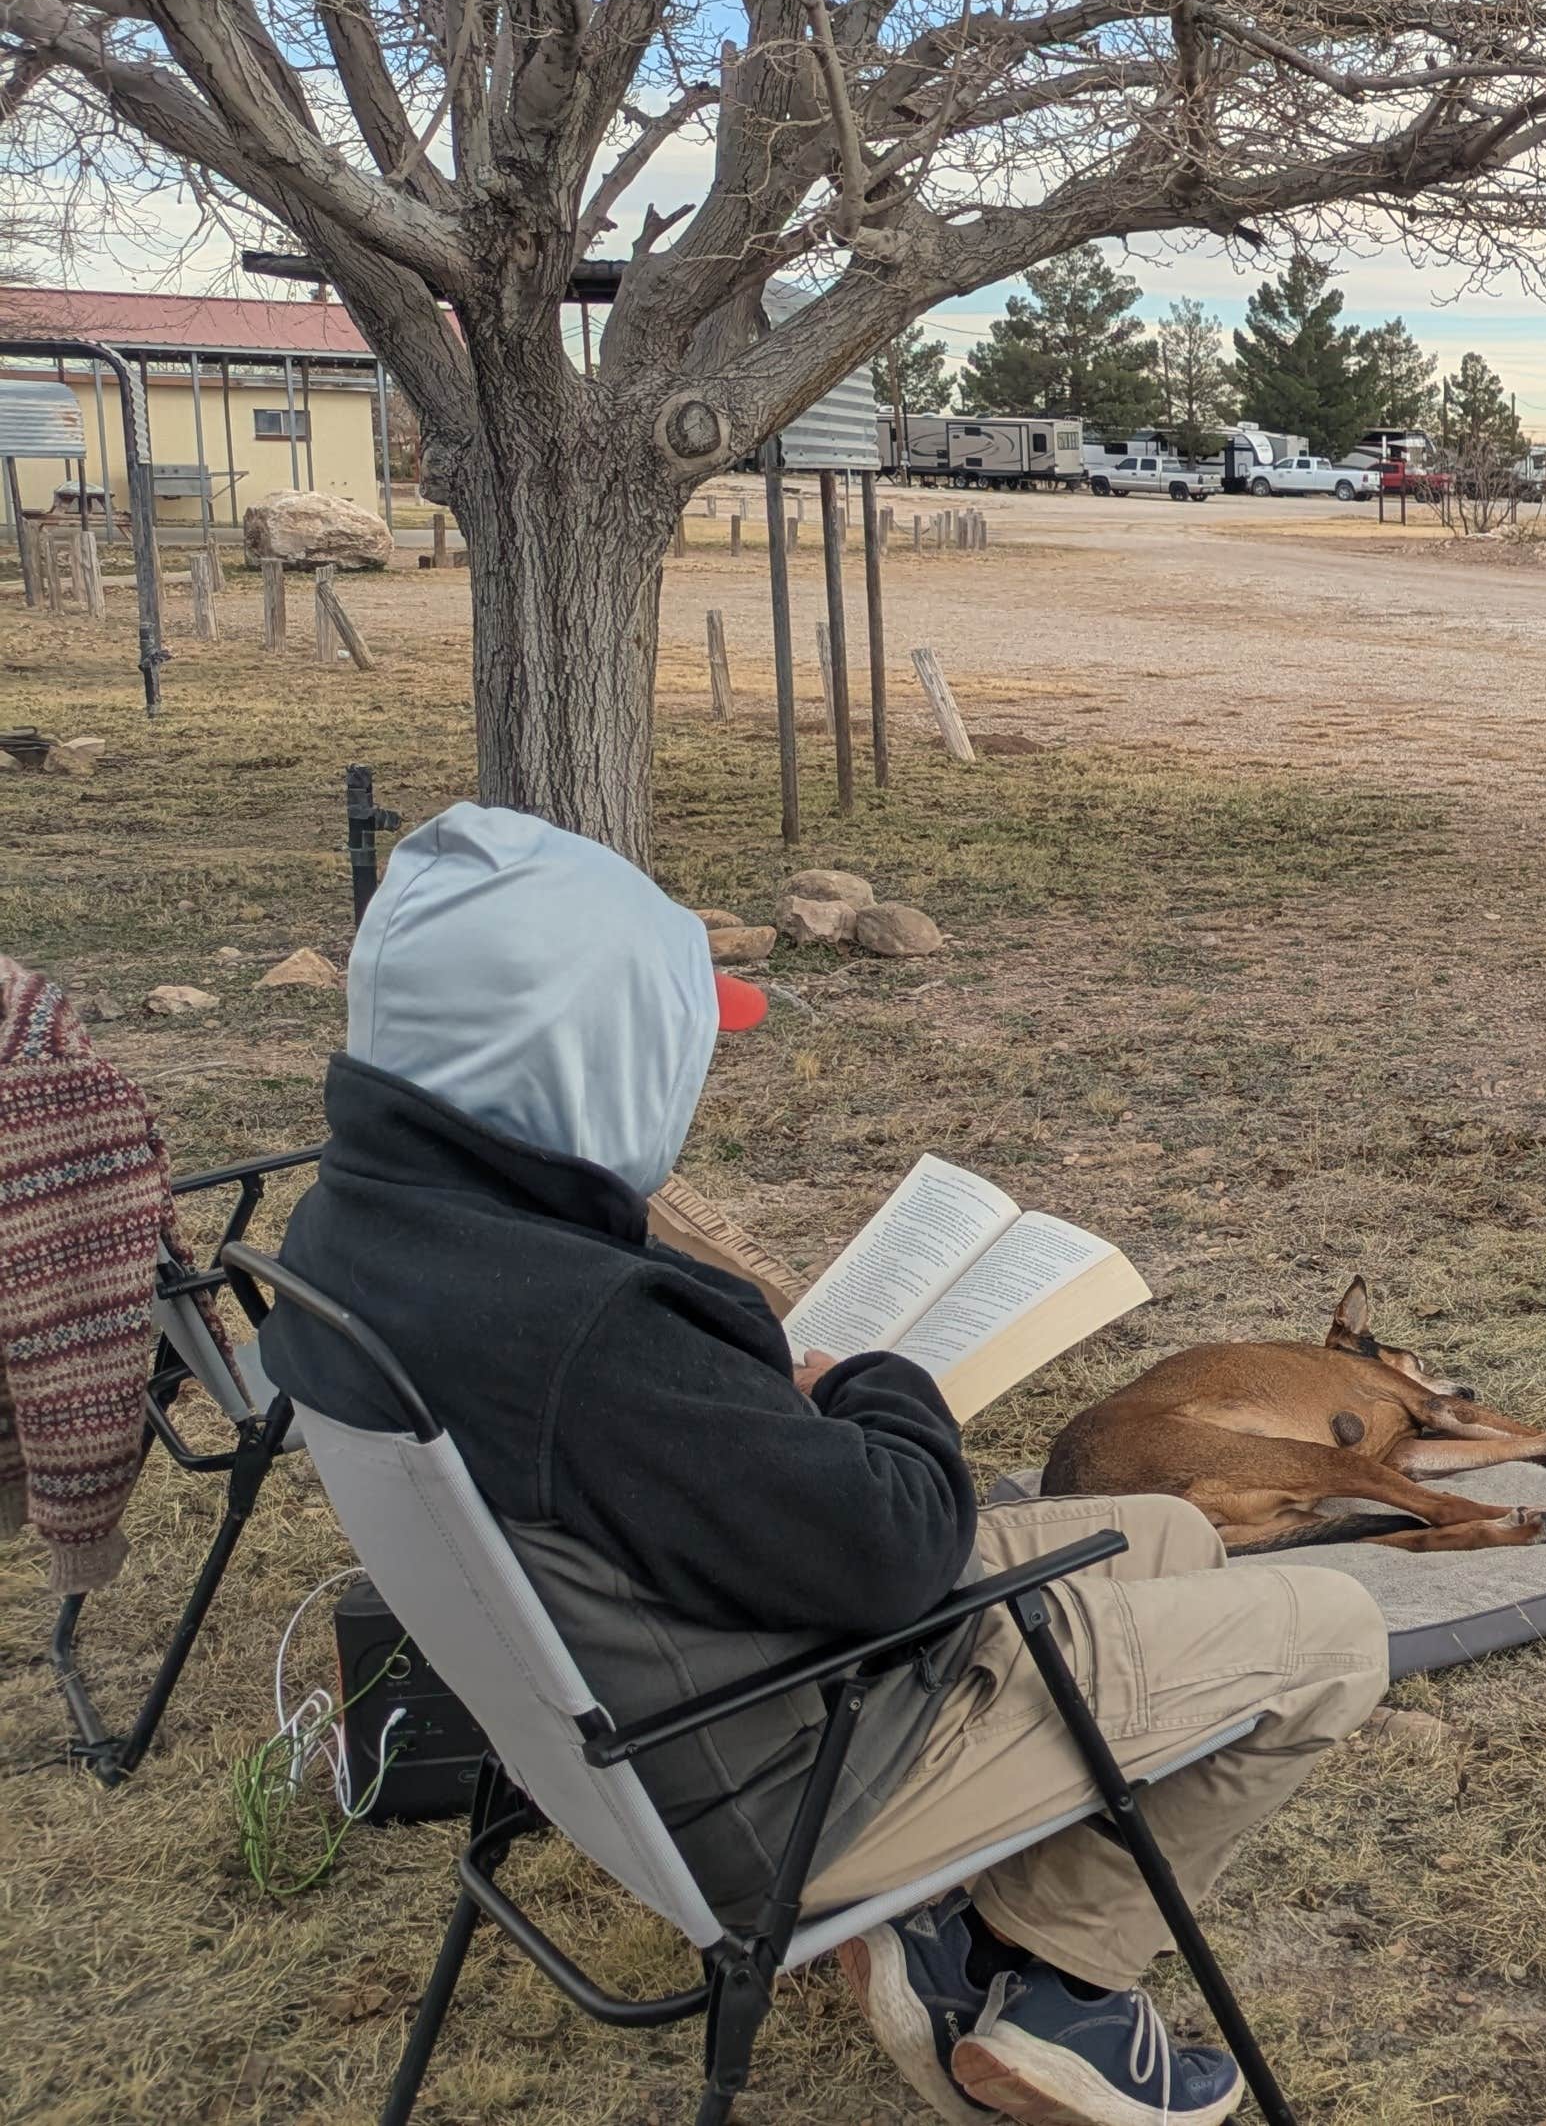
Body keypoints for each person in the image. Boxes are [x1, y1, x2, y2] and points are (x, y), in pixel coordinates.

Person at [263, 806, 1383, 2126]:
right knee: (1335, 1633)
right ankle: (1058, 1986)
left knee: (1171, 1537)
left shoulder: (357, 1229)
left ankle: (975, 1935)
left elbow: (705, 1489)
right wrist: (870, 1380)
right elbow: (900, 1545)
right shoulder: (589, 1336)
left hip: (635, 1727)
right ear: (589, 1055)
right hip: (786, 1785)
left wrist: (757, 1390)